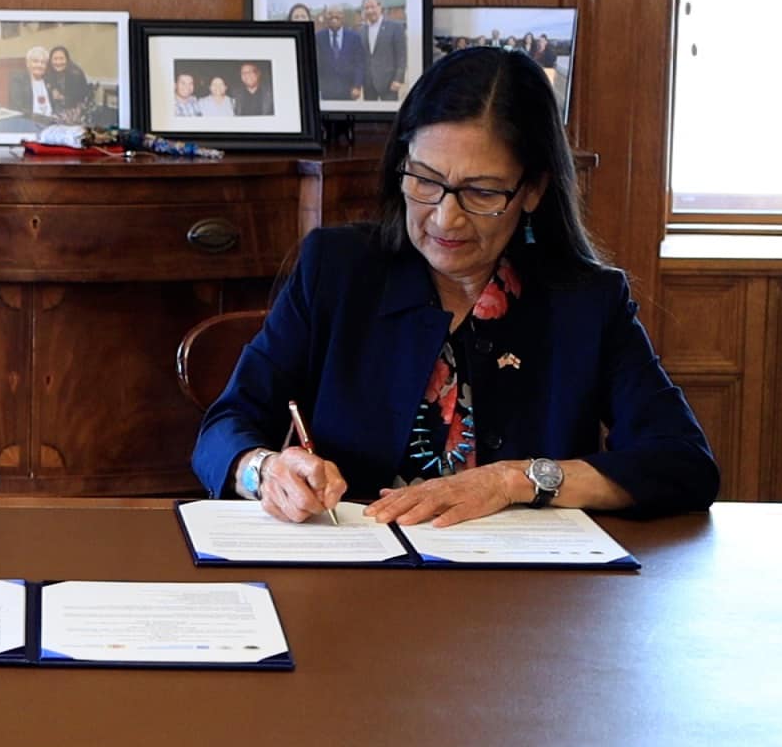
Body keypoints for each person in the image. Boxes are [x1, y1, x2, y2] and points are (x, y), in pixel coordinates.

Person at [191, 46, 718, 527]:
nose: (446, 218)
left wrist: (513, 480)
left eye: (481, 192)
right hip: (356, 575)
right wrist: (264, 470)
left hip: (525, 586)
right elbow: (224, 428)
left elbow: (683, 463)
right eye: (425, 180)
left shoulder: (586, 302)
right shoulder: (337, 269)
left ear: (532, 190)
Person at [352, 0, 409, 101]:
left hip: (389, 83)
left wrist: (398, 79)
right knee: (370, 111)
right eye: (366, 8)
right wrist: (357, 83)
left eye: (372, 7)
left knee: (390, 111)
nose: (370, 11)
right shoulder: (361, 31)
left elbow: (401, 56)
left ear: (380, 7)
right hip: (368, 84)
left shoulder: (395, 27)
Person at [315, 7, 363, 101]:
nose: (334, 18)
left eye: (337, 15)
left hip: (349, 91)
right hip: (326, 92)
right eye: (330, 15)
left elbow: (359, 63)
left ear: (343, 17)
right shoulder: (318, 37)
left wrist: (357, 86)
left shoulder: (354, 37)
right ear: (326, 17)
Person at [45, 44, 94, 123]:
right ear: (51, 60)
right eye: (55, 59)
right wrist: (52, 89)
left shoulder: (75, 74)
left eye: (61, 58)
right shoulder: (49, 71)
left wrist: (61, 97)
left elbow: (79, 98)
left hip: (75, 107)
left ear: (67, 59)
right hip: (57, 106)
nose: (58, 62)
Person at [5, 45, 56, 120]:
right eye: (35, 61)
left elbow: (55, 104)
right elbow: (17, 108)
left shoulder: (49, 80)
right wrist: (44, 119)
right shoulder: (19, 80)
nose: (39, 65)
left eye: (43, 62)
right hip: (30, 122)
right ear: (28, 63)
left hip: (52, 122)